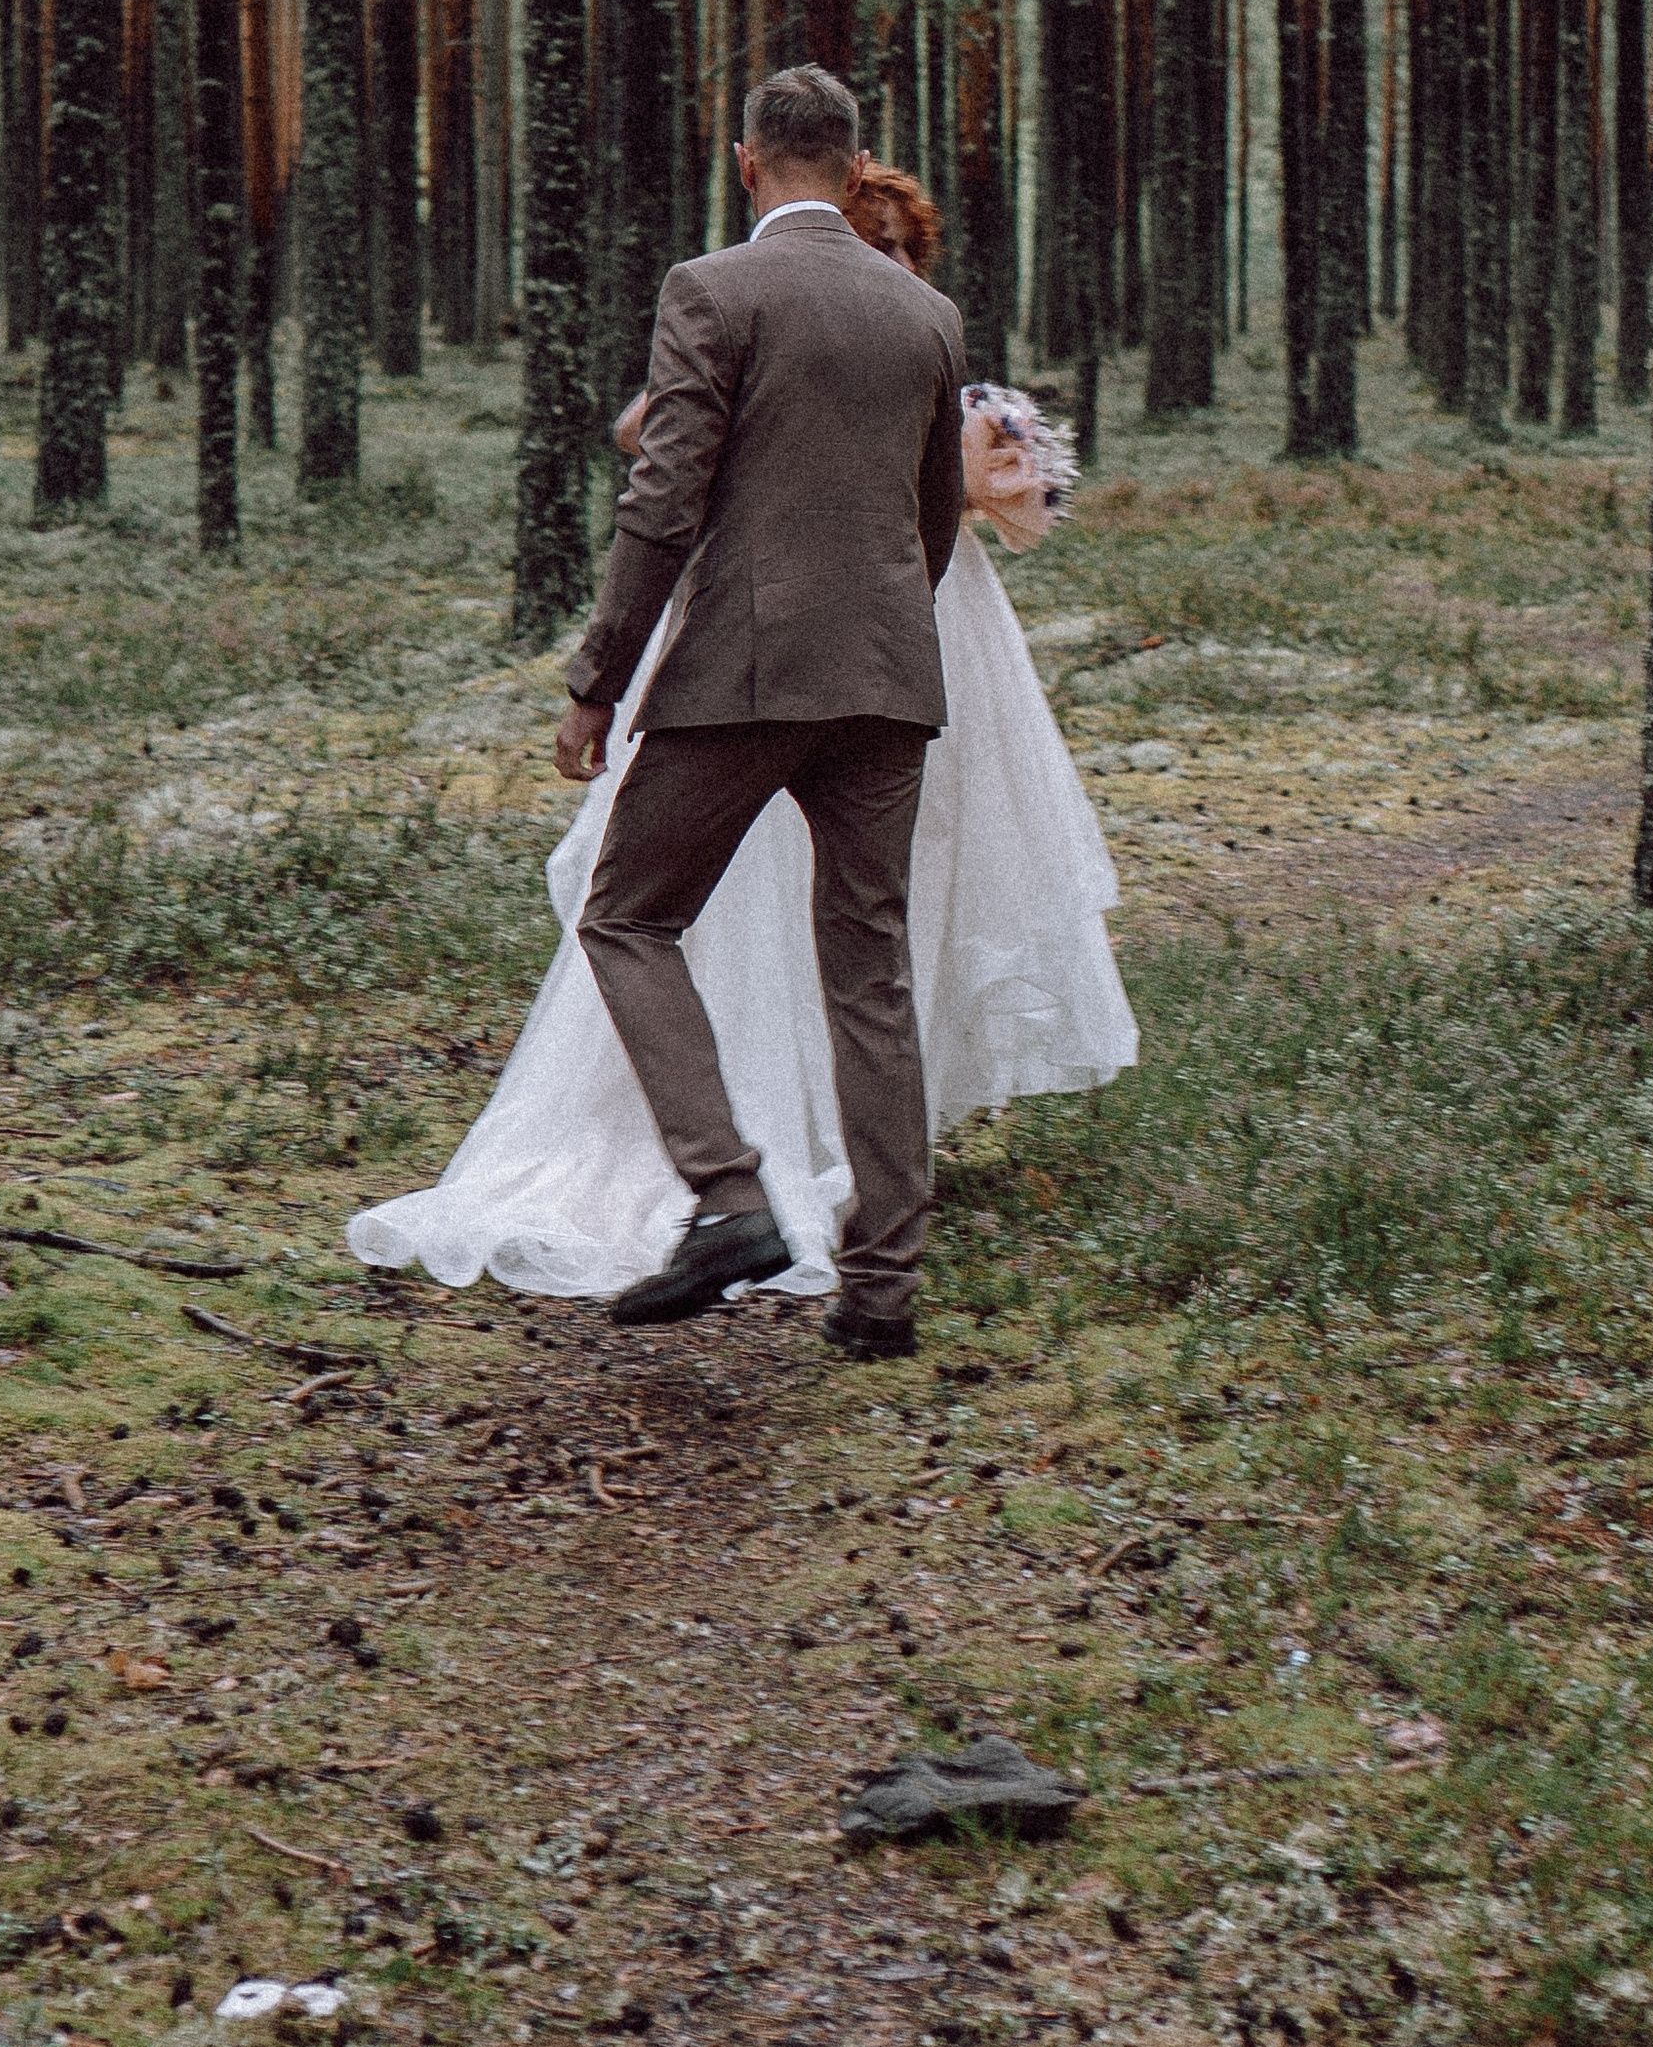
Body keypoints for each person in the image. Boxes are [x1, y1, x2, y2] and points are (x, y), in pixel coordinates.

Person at [348, 78, 1133, 1359]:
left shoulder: (711, 291)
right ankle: (882, 1292)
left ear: (744, 161)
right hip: (889, 681)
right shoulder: (925, 314)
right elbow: (933, 526)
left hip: (745, 677)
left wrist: (599, 676)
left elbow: (662, 503)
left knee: (627, 911)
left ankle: (726, 1196)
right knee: (868, 968)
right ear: (856, 160)